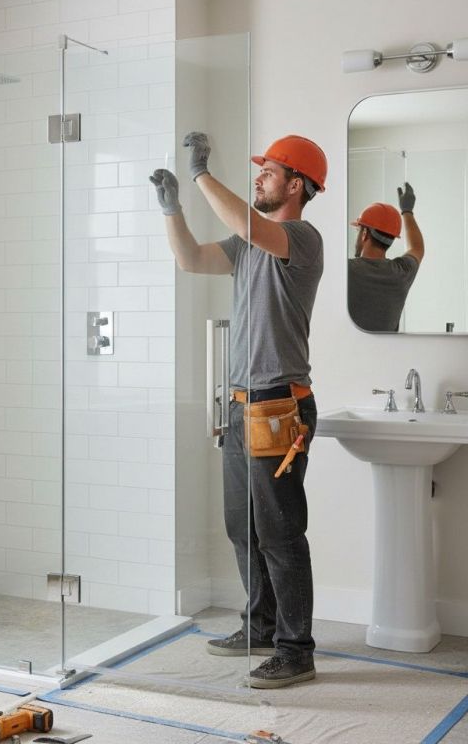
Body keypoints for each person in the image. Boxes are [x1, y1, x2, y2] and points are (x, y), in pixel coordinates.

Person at [149, 133, 326, 689]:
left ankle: (296, 651)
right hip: (241, 403)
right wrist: (172, 209)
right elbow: (190, 260)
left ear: (295, 185)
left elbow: (252, 227)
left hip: (280, 407)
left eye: (268, 172)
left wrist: (201, 173)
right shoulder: (248, 244)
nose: (259, 178)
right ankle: (261, 627)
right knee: (241, 527)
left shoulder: (301, 239)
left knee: (280, 534)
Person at [348, 183, 423, 332]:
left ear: (364, 234)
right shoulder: (401, 273)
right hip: (387, 348)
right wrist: (407, 211)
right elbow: (417, 248)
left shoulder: (347, 270)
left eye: (358, 230)